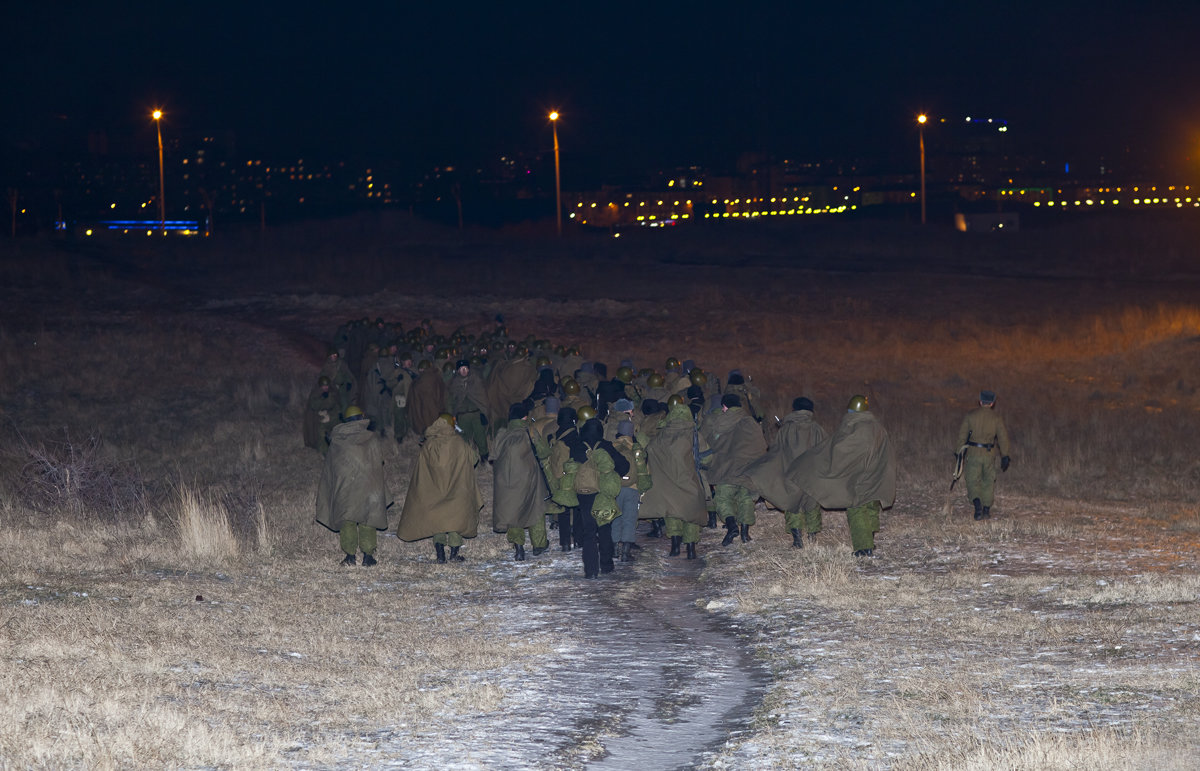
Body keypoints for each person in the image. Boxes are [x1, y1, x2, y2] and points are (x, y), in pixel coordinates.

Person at [782, 395, 896, 557]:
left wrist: (822, 457)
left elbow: (842, 450)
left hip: (861, 477)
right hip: (875, 475)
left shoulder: (858, 429)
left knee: (856, 508)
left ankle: (863, 548)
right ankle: (870, 541)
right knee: (871, 507)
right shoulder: (876, 427)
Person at [395, 413, 484, 563]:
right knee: (455, 518)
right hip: (456, 488)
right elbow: (474, 459)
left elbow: (421, 468)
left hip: (434, 489)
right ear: (451, 425)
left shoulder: (429, 445)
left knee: (438, 520)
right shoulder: (459, 443)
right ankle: (454, 554)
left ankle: (440, 553)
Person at [744, 397, 828, 547]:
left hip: (790, 472)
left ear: (795, 409)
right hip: (811, 474)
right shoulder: (816, 428)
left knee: (792, 504)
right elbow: (825, 449)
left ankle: (797, 539)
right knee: (812, 503)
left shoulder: (786, 429)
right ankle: (812, 535)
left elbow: (776, 449)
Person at [315, 406, 388, 567]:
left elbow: (332, 466)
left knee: (347, 519)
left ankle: (350, 556)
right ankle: (368, 556)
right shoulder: (371, 438)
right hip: (368, 487)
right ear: (361, 418)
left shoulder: (338, 440)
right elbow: (379, 461)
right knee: (368, 519)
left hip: (345, 487)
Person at [639, 397, 708, 559]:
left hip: (667, 482)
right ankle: (691, 549)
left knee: (672, 512)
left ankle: (675, 546)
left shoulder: (662, 435)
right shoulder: (694, 435)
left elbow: (650, 450)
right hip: (689, 480)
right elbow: (707, 458)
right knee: (691, 514)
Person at [560, 417, 629, 578]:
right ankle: (606, 564)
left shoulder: (576, 447)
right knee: (604, 527)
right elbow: (624, 466)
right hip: (602, 492)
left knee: (589, 531)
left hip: (584, 493)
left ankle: (591, 570)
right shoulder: (605, 446)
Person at [703, 393, 767, 546]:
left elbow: (712, 443)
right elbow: (762, 445)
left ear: (724, 406)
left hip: (727, 470)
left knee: (723, 499)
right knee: (745, 499)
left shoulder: (720, 421)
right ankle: (745, 534)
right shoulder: (750, 422)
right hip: (747, 470)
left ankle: (731, 526)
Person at [492, 403, 550, 560]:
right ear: (525, 416)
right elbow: (544, 452)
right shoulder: (530, 432)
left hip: (506, 479)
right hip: (529, 477)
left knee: (513, 511)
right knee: (535, 508)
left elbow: (494, 455)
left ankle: (519, 548)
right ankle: (539, 545)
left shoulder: (502, 433)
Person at [957, 389, 1012, 520]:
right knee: (988, 481)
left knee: (972, 479)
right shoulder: (997, 418)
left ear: (980, 401)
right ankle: (986, 509)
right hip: (989, 454)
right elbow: (1003, 438)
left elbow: (962, 436)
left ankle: (977, 506)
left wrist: (958, 453)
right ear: (992, 403)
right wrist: (1005, 455)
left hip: (973, 453)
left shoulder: (970, 416)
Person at [611, 420, 650, 562]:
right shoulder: (636, 448)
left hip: (615, 488)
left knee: (615, 518)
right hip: (632, 489)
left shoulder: (611, 447)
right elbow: (643, 471)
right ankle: (626, 553)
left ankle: (614, 549)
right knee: (629, 520)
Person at [448, 358, 490, 459]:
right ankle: (467, 458)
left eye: (465, 368)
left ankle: (484, 456)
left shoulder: (476, 380)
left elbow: (482, 396)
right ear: (458, 370)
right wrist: (452, 416)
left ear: (469, 369)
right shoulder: (454, 383)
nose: (463, 371)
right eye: (461, 368)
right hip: (462, 415)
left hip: (476, 414)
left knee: (480, 436)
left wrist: (484, 411)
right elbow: (450, 401)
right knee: (463, 438)